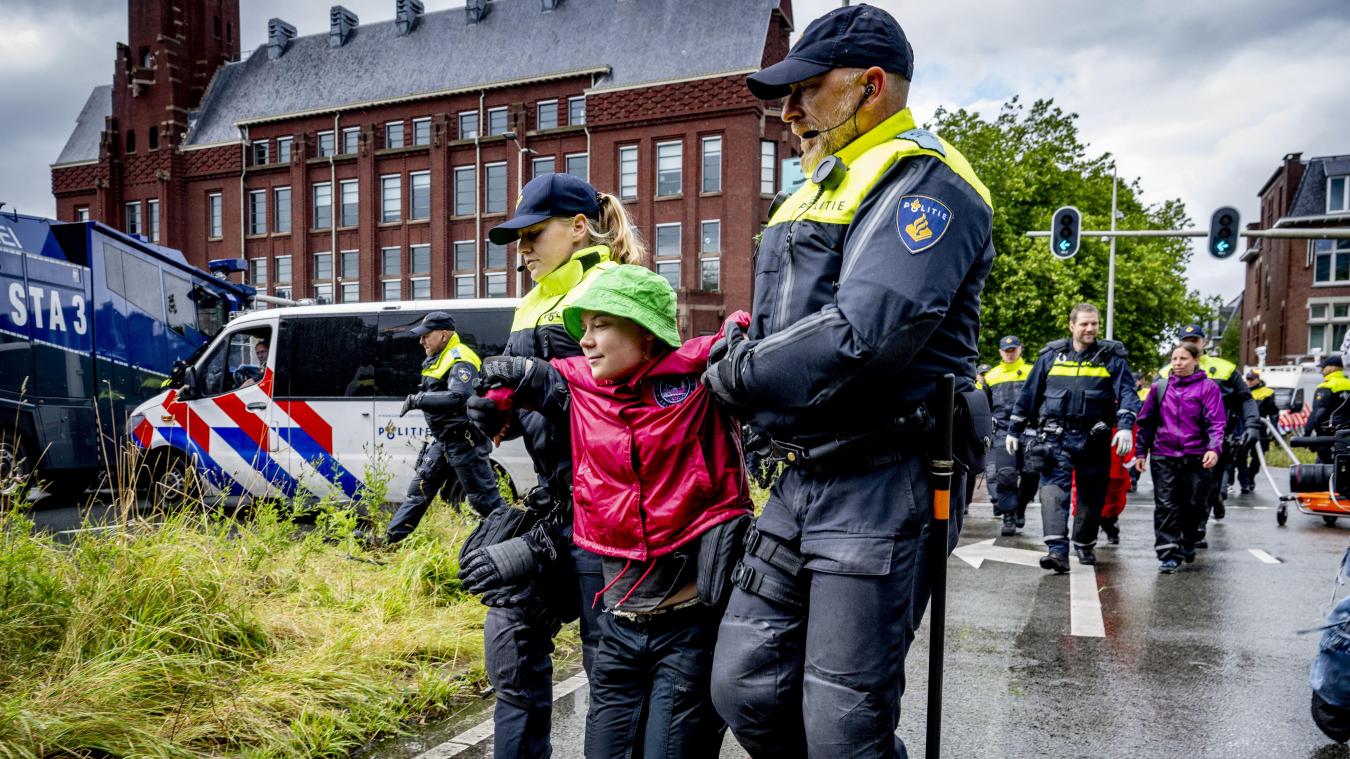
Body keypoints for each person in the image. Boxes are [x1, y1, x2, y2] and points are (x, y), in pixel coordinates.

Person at [700, 5, 995, 755]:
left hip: (882, 477)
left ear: (870, 86)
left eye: (806, 88)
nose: (788, 108)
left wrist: (735, 376)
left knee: (843, 723)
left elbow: (861, 337)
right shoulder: (812, 185)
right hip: (802, 477)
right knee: (745, 685)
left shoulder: (928, 183)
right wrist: (745, 345)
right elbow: (784, 326)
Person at [471, 265, 752, 757]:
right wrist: (492, 398)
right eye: (584, 326)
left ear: (644, 331)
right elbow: (532, 378)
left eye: (602, 324)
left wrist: (742, 333)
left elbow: (751, 334)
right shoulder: (580, 385)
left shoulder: (702, 376)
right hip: (618, 629)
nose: (585, 340)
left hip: (689, 631)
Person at [459, 172, 644, 758]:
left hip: (612, 517)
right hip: (553, 507)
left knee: (610, 675)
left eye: (534, 234)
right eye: (518, 239)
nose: (523, 251)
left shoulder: (616, 287)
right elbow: (524, 404)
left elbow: (627, 402)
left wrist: (539, 385)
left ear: (579, 228)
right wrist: (490, 414)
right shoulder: (531, 303)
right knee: (510, 642)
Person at [1008, 303, 1139, 573]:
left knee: (1092, 496)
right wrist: (1014, 429)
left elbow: (1128, 393)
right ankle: (1057, 551)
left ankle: (1084, 543)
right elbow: (1029, 395)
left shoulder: (1111, 356)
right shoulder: (1051, 356)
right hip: (1056, 437)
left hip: (1095, 437)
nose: (1090, 328)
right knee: (1053, 493)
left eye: (1094, 324)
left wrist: (1125, 425)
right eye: (1084, 324)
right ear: (1072, 326)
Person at [376, 312, 506, 544]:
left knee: (484, 501)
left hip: (465, 442)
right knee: (418, 492)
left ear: (444, 335)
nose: (421, 341)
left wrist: (418, 400)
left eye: (427, 335)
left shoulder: (460, 358)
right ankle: (387, 543)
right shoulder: (439, 357)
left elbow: (459, 397)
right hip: (444, 441)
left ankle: (519, 543)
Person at [1134, 342, 1225, 573]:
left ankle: (1188, 540)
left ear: (1196, 361)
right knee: (1165, 505)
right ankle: (1168, 553)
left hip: (1196, 456)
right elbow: (1146, 422)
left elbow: (1216, 422)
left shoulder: (1208, 388)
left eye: (1183, 359)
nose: (1177, 363)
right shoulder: (1159, 387)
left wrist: (1214, 449)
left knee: (1194, 504)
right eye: (1174, 359)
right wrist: (1141, 452)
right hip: (1164, 455)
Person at [1161, 323, 1258, 533]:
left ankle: (1201, 522)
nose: (1191, 344)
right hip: (1178, 441)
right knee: (1178, 489)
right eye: (1186, 341)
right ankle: (1186, 531)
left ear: (1203, 342)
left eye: (1195, 340)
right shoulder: (1166, 371)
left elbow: (1245, 399)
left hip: (1214, 440)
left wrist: (1252, 425)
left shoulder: (1224, 369)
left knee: (1208, 487)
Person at [980, 335, 1038, 536]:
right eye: (1007, 351)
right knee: (1005, 475)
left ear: (1020, 349)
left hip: (1029, 430)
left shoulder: (1032, 372)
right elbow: (985, 406)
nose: (1010, 353)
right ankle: (1009, 516)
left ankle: (1020, 506)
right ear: (1000, 353)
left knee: (1032, 473)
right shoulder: (992, 376)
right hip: (1003, 432)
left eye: (1013, 349)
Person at [1238, 369, 1279, 494]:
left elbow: (1273, 413)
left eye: (1251, 379)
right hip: (1243, 428)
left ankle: (1251, 477)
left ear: (1258, 379)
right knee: (1241, 456)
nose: (1249, 382)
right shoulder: (1242, 391)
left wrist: (1274, 429)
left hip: (1261, 429)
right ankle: (1244, 482)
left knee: (1258, 457)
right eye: (1247, 379)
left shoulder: (1267, 393)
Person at [1303, 354, 1350, 464]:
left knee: (1322, 467)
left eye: (1323, 367)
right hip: (1347, 434)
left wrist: (1307, 433)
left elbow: (1318, 413)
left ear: (1332, 367)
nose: (1322, 370)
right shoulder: (1348, 384)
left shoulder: (1326, 387)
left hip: (1328, 434)